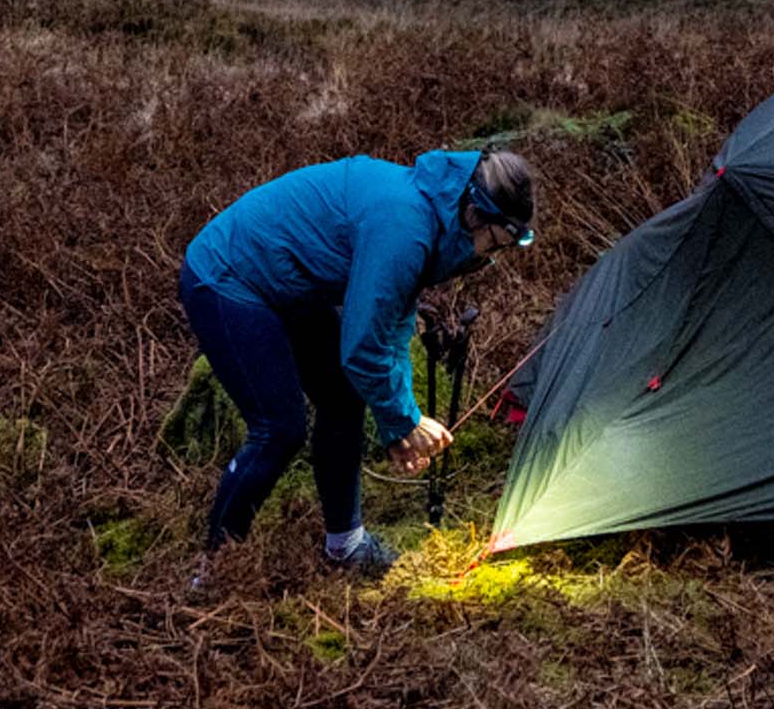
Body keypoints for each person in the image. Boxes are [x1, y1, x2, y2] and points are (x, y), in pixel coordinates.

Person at [177, 148, 536, 581]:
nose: (487, 256)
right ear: (474, 214)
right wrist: (405, 421)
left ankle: (346, 545)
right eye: (494, 242)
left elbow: (393, 326)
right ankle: (212, 571)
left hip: (288, 283)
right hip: (226, 276)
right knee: (278, 428)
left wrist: (398, 426)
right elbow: (363, 347)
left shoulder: (431, 216)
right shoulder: (406, 227)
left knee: (343, 396)